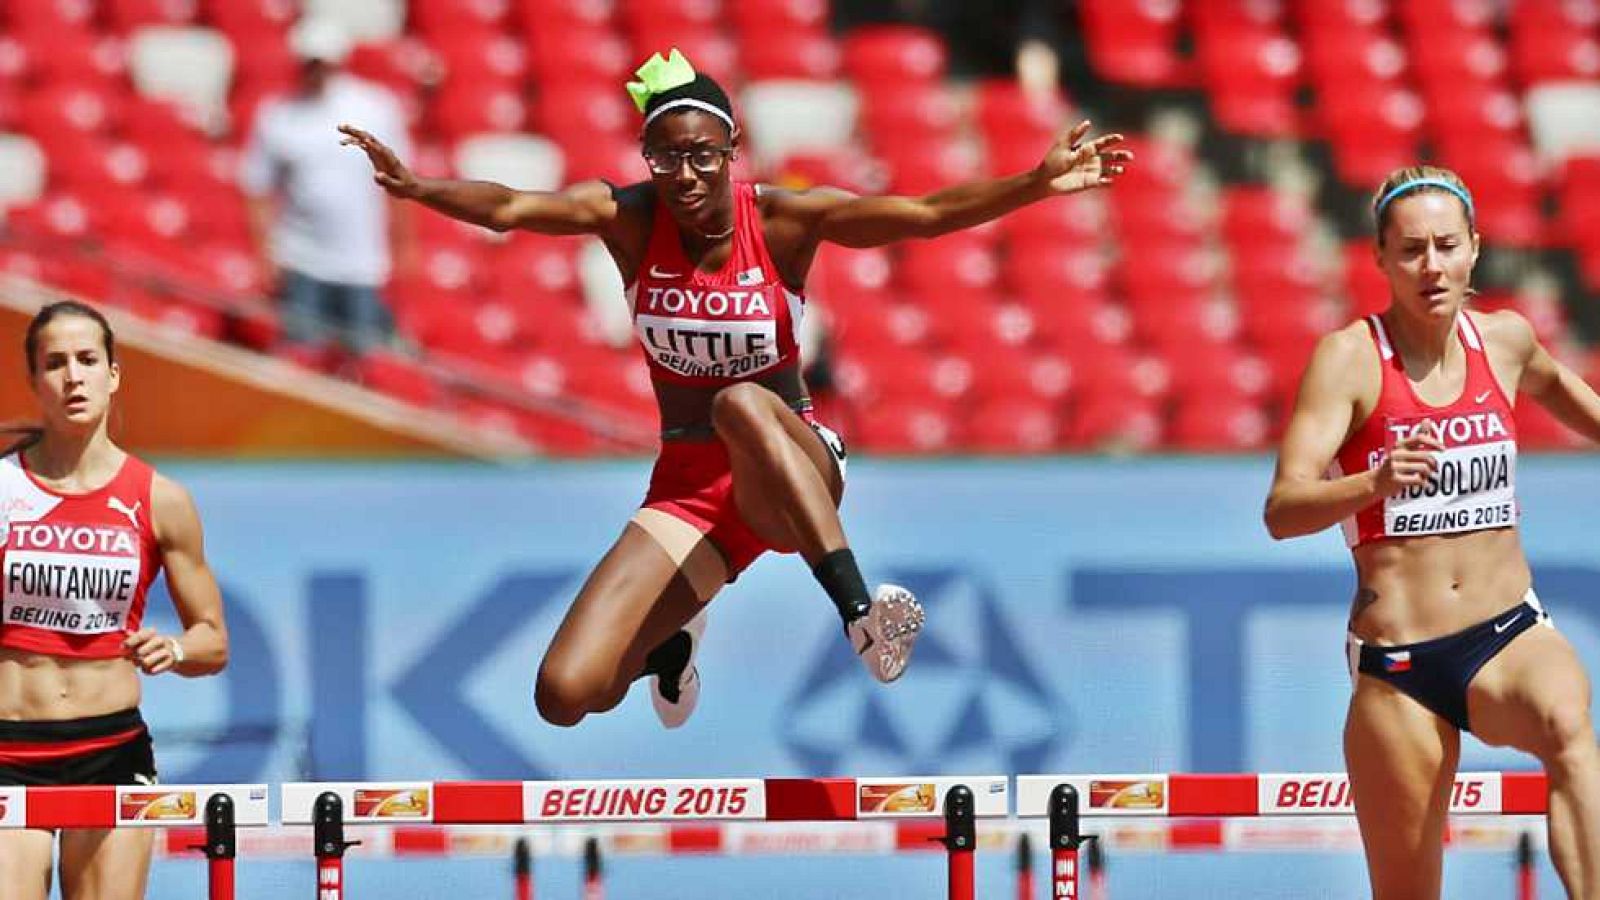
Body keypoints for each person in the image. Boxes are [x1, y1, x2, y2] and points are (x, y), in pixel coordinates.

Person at [340, 49, 1130, 729]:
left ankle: (862, 614)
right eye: (666, 158)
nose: (684, 176)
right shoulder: (627, 217)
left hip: (788, 473)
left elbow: (921, 214)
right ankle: (670, 648)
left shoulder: (782, 222)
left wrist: (1034, 183)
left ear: (731, 151)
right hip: (689, 489)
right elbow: (511, 207)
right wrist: (420, 189)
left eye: (702, 156)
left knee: (740, 401)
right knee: (566, 692)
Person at [1265, 166, 1600, 900]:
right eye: (1411, 250)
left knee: (1570, 727)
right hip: (1400, 664)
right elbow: (1282, 511)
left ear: (1474, 248)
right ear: (1380, 259)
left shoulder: (1506, 342)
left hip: (1507, 634)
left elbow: (1580, 405)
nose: (1431, 266)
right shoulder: (1349, 359)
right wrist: (1372, 485)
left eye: (1446, 245)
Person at [0, 301, 229, 900]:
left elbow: (213, 641)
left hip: (110, 750)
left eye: (86, 360)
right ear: (33, 381)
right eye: (55, 363)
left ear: (113, 373)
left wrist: (174, 648)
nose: (73, 376)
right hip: (7, 748)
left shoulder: (161, 499)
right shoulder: (2, 490)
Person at [240, 16, 415, 357]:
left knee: (366, 357)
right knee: (302, 353)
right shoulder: (279, 115)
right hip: (303, 258)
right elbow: (257, 187)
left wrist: (404, 244)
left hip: (363, 262)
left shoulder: (374, 109)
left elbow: (401, 182)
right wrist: (265, 254)